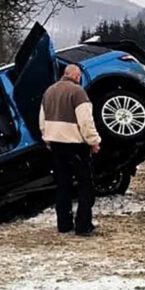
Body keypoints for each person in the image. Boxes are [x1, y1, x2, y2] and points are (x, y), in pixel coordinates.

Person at [39, 64, 101, 235]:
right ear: (76, 76)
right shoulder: (78, 92)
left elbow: (42, 119)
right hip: (76, 146)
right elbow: (86, 121)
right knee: (85, 185)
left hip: (57, 145)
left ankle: (64, 224)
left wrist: (47, 138)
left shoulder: (49, 92)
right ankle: (83, 226)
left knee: (63, 185)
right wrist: (93, 141)